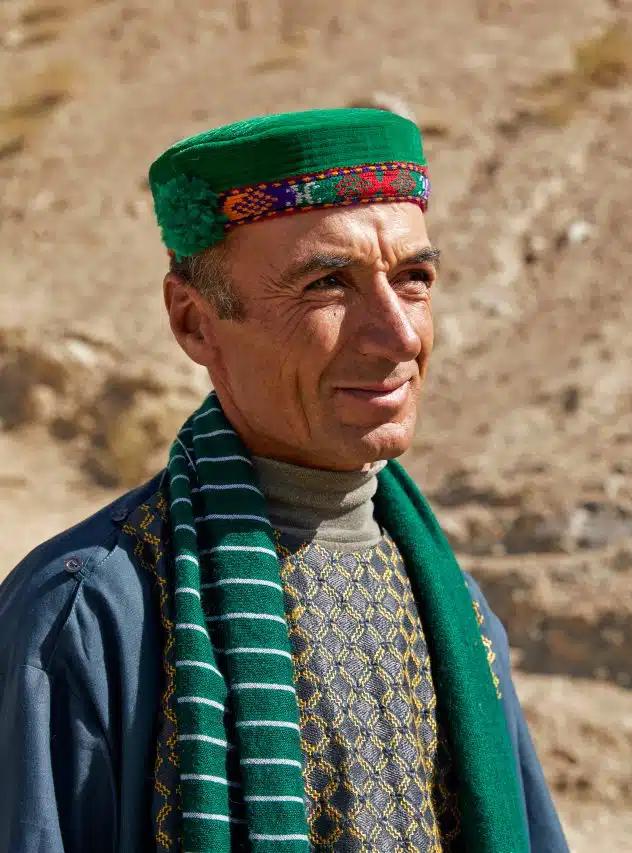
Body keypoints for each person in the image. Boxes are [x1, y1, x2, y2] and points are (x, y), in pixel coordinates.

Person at [0, 109, 568, 853]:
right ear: (194, 322)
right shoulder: (89, 616)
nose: (398, 335)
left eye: (414, 278)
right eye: (329, 284)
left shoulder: (455, 610)